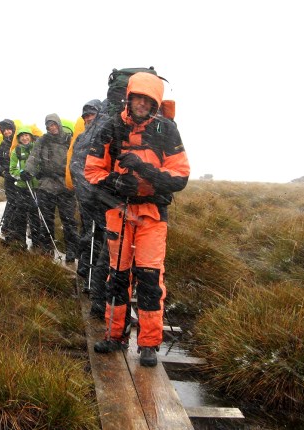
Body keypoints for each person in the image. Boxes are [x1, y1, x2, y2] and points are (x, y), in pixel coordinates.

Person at [84, 72, 190, 367]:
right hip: (119, 211)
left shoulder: (167, 129)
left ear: (155, 103)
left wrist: (145, 170)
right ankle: (114, 335)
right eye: (137, 98)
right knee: (117, 276)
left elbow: (180, 177)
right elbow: (92, 170)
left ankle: (148, 344)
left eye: (148, 100)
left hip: (152, 214)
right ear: (128, 98)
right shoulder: (111, 127)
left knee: (150, 279)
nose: (141, 104)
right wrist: (116, 182)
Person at [68, 99, 109, 319]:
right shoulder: (83, 137)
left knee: (98, 237)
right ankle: (87, 273)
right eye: (85, 116)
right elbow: (76, 165)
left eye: (90, 115)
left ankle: (95, 281)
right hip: (89, 198)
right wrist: (87, 190)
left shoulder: (105, 133)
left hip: (102, 198)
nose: (87, 119)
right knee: (90, 234)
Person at [25, 113, 79, 262]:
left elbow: (76, 159)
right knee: (46, 219)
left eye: (54, 124)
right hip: (46, 184)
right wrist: (28, 171)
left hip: (65, 185)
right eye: (49, 126)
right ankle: (47, 249)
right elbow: (34, 157)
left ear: (59, 124)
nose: (52, 128)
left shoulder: (69, 139)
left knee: (68, 221)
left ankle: (72, 251)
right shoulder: (42, 140)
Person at [8, 126, 41, 251]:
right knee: (21, 215)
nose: (24, 138)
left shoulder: (37, 148)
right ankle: (21, 242)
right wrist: (21, 174)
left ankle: (37, 243)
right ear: (19, 138)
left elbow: (41, 165)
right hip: (22, 188)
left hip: (36, 187)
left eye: (26, 135)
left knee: (35, 215)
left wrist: (36, 173)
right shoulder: (16, 151)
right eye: (22, 136)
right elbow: (12, 170)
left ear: (31, 136)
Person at [0, 119, 22, 243]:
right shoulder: (2, 146)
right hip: (9, 180)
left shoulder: (20, 142)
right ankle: (8, 229)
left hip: (21, 179)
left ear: (13, 129)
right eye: (4, 130)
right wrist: (4, 173)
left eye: (8, 129)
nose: (6, 132)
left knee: (20, 204)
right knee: (12, 202)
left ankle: (16, 230)